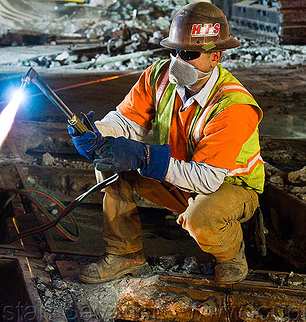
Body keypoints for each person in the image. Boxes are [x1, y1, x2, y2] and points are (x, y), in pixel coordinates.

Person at [68, 1, 264, 284]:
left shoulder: (232, 105)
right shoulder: (159, 76)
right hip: (178, 172)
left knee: (202, 216)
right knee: (109, 163)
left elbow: (207, 179)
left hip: (228, 187)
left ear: (215, 56)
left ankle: (231, 254)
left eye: (188, 53)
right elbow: (126, 122)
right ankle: (126, 255)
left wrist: (146, 158)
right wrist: (98, 133)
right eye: (174, 51)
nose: (177, 62)